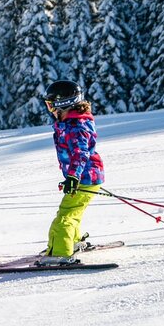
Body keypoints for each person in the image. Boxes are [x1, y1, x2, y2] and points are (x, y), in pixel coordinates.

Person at [40, 80, 104, 266]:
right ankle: (73, 242)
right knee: (73, 211)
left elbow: (80, 153)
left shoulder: (76, 126)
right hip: (87, 177)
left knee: (65, 215)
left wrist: (74, 176)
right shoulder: (72, 122)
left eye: (50, 104)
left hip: (83, 177)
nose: (49, 108)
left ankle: (61, 252)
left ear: (62, 103)